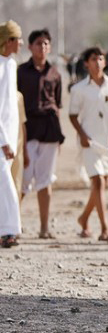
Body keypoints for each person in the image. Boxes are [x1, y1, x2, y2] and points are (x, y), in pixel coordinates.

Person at [69, 47, 108, 243]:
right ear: (86, 63)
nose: (98, 62)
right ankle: (105, 228)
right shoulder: (79, 89)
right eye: (94, 59)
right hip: (90, 142)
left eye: (100, 58)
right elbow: (73, 115)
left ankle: (84, 217)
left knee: (101, 184)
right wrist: (82, 135)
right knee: (98, 182)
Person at [17, 28, 64, 239]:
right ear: (30, 46)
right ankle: (11, 225)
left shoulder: (55, 73)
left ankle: (44, 228)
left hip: (50, 130)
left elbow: (58, 105)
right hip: (27, 128)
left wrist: (60, 136)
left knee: (45, 181)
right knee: (22, 180)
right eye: (38, 43)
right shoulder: (20, 71)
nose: (42, 47)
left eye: (46, 43)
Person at [0, 20, 23, 248]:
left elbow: (9, 107)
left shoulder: (11, 64)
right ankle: (9, 231)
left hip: (9, 136)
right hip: (1, 139)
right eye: (18, 39)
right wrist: (3, 140)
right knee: (5, 184)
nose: (21, 43)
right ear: (8, 41)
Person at [11, 91, 29, 201]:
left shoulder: (18, 96)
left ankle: (14, 217)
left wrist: (25, 151)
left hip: (16, 150)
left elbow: (22, 124)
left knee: (16, 185)